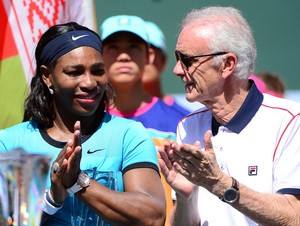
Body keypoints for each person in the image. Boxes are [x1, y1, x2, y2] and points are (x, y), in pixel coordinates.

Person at [0, 22, 166, 225]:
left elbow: (153, 217)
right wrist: (52, 198)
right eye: (74, 72)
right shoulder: (9, 143)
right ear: (47, 76)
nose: (89, 83)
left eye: (97, 71)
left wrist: (78, 182)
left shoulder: (129, 135)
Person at [158, 6, 300, 226]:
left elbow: (295, 216)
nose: (177, 69)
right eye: (177, 57)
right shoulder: (187, 126)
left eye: (187, 60)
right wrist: (186, 198)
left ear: (227, 65)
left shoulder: (290, 121)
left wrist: (222, 185)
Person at [99, 15, 186, 226]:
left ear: (148, 56)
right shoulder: (85, 122)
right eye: (113, 47)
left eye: (133, 47)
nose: (123, 56)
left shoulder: (180, 122)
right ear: (99, 56)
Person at [143, 20, 190, 116]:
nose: (141, 60)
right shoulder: (104, 114)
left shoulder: (185, 117)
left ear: (164, 61)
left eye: (148, 53)